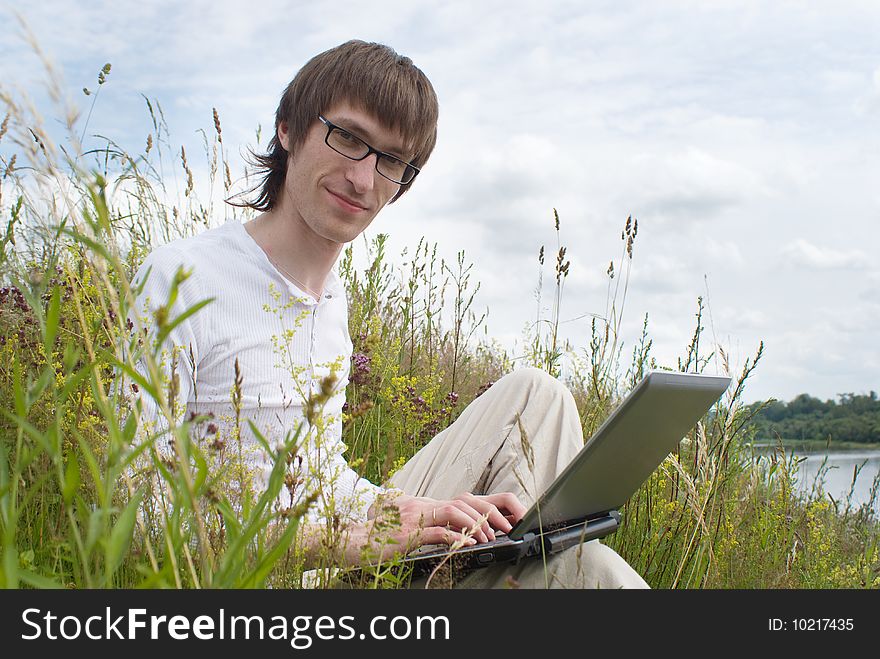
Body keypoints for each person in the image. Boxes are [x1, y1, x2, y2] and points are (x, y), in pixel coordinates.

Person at [131, 39, 648, 589]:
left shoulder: (331, 299)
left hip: (334, 536)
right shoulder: (179, 279)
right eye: (349, 138)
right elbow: (140, 518)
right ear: (289, 128)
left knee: (537, 396)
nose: (363, 179)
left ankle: (526, 555)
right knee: (599, 577)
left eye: (392, 160)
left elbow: (323, 478)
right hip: (258, 573)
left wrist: (425, 511)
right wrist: (349, 540)